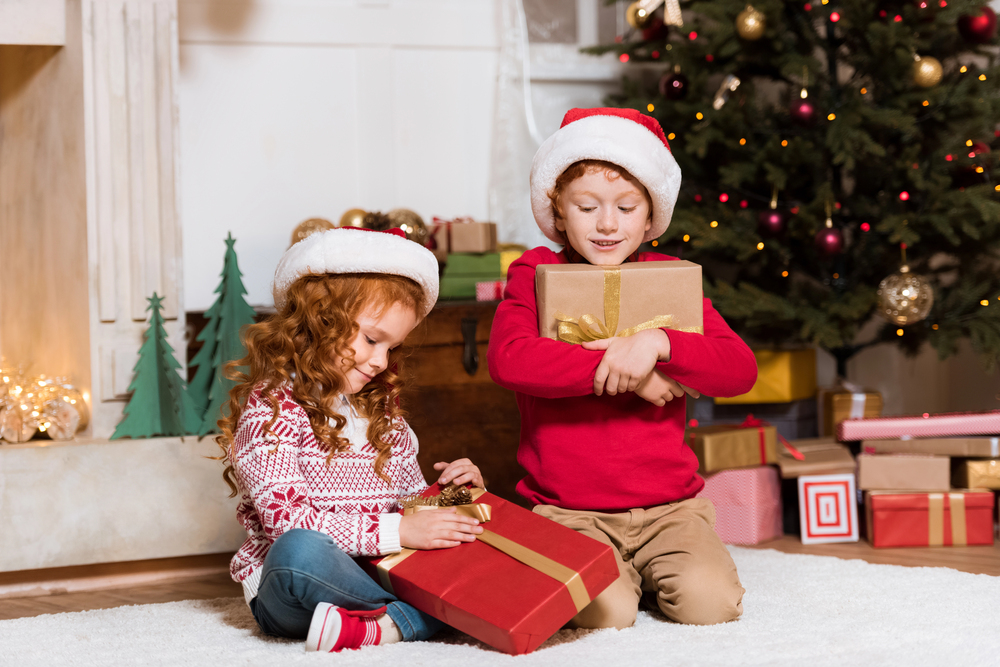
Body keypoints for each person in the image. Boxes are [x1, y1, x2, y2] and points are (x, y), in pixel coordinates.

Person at [487, 107, 757, 628]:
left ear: (651, 216)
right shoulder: (534, 274)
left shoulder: (671, 281)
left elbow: (738, 370)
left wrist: (657, 342)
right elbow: (509, 357)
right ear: (559, 212)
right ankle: (619, 579)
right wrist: (628, 367)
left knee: (712, 605)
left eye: (627, 207)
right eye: (587, 207)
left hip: (671, 509)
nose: (607, 224)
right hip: (570, 511)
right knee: (605, 614)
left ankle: (649, 569)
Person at [216, 227, 485, 653]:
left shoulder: (383, 415)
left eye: (391, 348)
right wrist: (403, 530)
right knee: (297, 550)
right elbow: (290, 523)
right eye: (371, 340)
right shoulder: (272, 410)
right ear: (319, 320)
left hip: (378, 574)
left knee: (473, 553)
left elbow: (411, 507)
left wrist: (454, 495)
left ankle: (377, 627)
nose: (380, 362)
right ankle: (418, 615)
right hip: (297, 589)